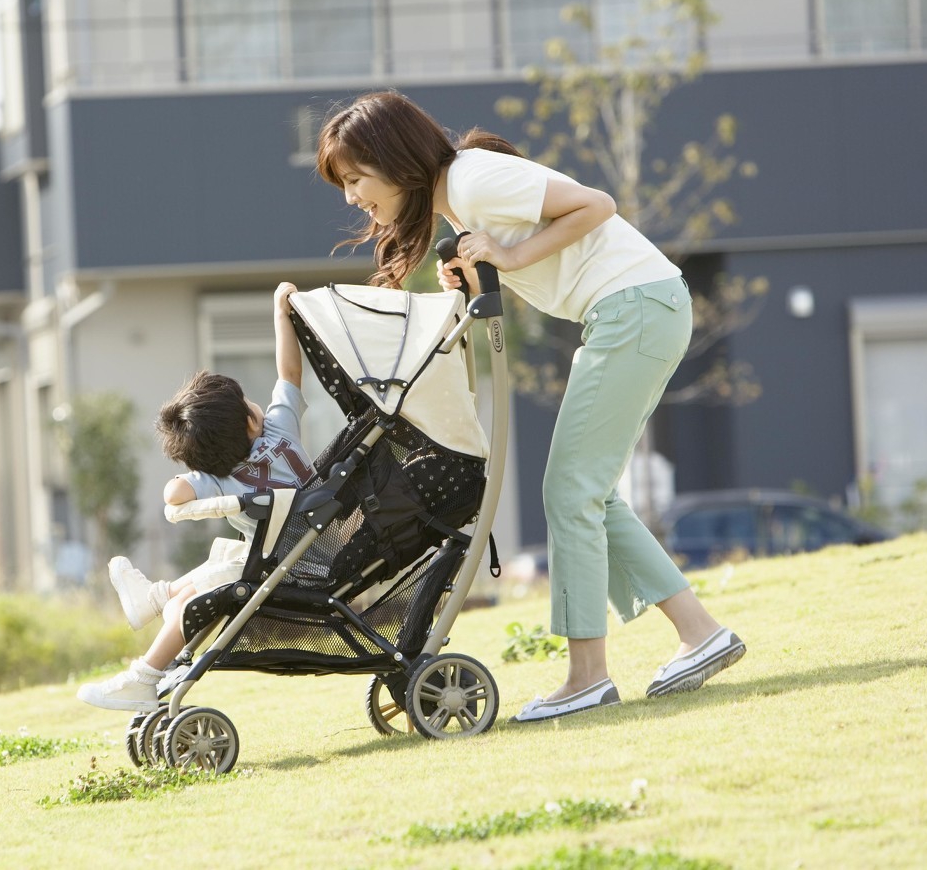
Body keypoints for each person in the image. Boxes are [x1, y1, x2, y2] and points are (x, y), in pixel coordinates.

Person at [315, 91, 745, 723]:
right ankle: (698, 632)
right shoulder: (461, 200)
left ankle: (588, 676)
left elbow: (597, 206)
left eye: (356, 179)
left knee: (571, 491)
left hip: (635, 309)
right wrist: (478, 272)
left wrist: (509, 258)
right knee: (587, 492)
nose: (353, 197)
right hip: (631, 312)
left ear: (394, 158)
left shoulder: (474, 178)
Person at [76, 282, 313, 712]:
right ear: (250, 423)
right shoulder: (281, 430)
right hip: (312, 554)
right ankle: (153, 602)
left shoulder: (218, 479)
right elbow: (289, 373)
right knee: (221, 564)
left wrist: (198, 471)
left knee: (193, 598)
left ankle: (144, 673)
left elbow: (174, 493)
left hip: (279, 569)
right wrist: (281, 314)